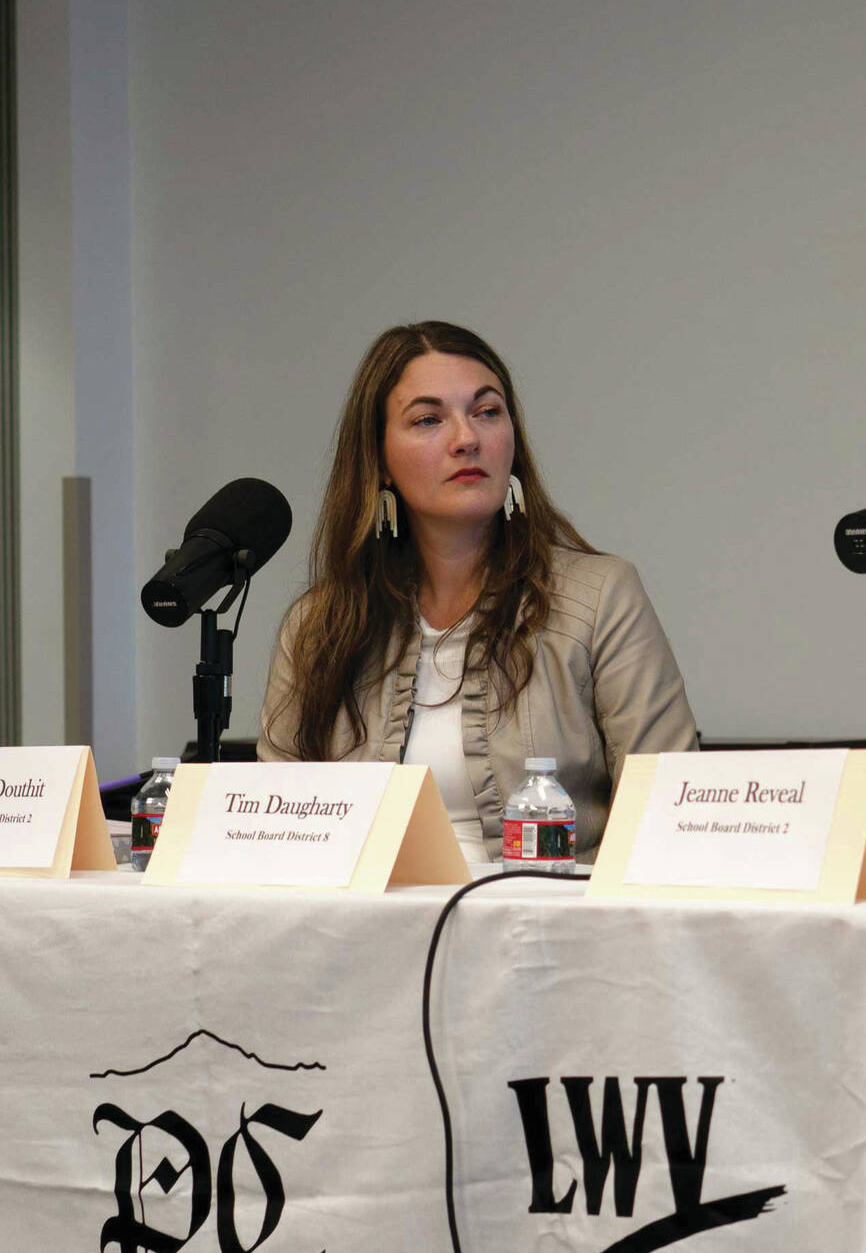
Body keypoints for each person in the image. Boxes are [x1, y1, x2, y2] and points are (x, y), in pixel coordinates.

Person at [259, 321, 697, 865]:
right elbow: (272, 825)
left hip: (545, 921)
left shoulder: (602, 595)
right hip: (363, 926)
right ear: (379, 460)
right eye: (428, 419)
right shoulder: (319, 624)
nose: (467, 438)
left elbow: (666, 811)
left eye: (487, 412)